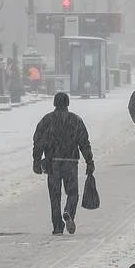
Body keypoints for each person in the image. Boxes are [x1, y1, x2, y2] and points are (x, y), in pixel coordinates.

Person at [31, 92, 95, 235]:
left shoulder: (47, 120)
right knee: (72, 193)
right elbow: (84, 142)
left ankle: (57, 226)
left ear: (55, 103)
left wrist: (36, 160)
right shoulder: (76, 120)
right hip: (71, 162)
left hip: (52, 162)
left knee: (55, 196)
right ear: (67, 103)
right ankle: (69, 212)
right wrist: (89, 161)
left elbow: (38, 142)